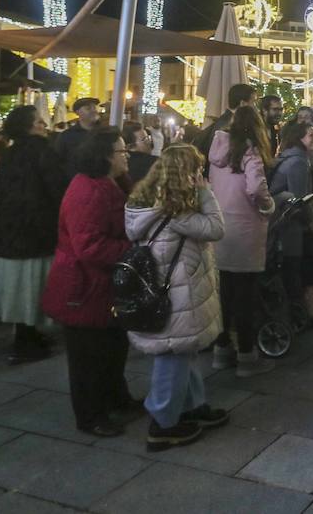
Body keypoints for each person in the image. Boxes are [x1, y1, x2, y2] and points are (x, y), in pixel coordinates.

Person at [124, 144, 230, 451]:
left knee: (185, 352)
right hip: (177, 293)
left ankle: (193, 406)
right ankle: (163, 423)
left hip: (171, 290)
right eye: (196, 169)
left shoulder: (147, 200)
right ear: (185, 174)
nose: (200, 175)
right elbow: (216, 228)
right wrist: (207, 192)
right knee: (173, 356)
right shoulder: (175, 209)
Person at [41, 127, 136, 437]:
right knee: (88, 358)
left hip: (102, 286)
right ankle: (90, 415)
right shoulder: (88, 190)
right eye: (123, 151)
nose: (128, 156)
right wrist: (133, 251)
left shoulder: (109, 183)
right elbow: (89, 246)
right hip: (83, 288)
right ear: (107, 156)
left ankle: (116, 399)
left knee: (112, 347)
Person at [0, 106, 68, 366]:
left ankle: (29, 334)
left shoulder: (9, 154)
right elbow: (57, 188)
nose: (44, 125)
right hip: (37, 229)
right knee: (33, 285)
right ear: (29, 126)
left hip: (11, 229)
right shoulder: (44, 152)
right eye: (39, 122)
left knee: (19, 285)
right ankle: (25, 341)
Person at [207, 105, 276, 377]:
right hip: (245, 229)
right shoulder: (250, 151)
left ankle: (221, 351)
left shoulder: (217, 150)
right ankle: (247, 356)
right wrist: (268, 206)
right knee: (245, 295)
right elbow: (256, 187)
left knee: (223, 294)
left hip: (221, 228)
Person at [268, 121, 313, 327]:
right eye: (310, 135)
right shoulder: (298, 162)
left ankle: (298, 308)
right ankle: (299, 310)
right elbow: (301, 198)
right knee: (299, 264)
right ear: (299, 139)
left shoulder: (290, 157)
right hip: (289, 223)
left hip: (283, 219)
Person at [195, 83, 257, 164]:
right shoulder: (227, 125)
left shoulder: (225, 122)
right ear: (242, 103)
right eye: (253, 102)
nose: (255, 107)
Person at [54, 97, 102, 178]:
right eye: (88, 108)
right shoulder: (67, 136)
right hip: (76, 184)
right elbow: (57, 162)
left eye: (94, 107)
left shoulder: (104, 133)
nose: (93, 110)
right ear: (77, 112)